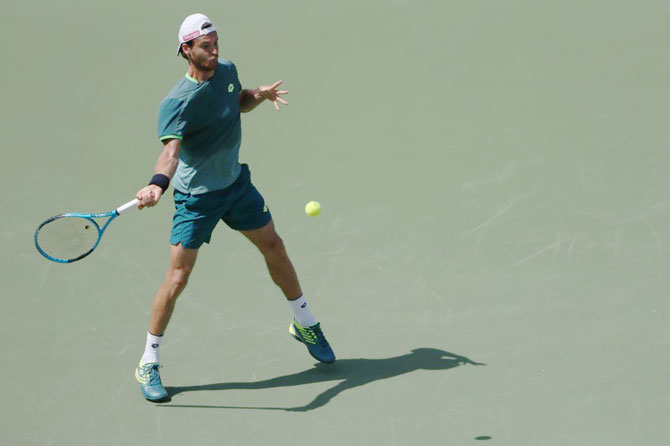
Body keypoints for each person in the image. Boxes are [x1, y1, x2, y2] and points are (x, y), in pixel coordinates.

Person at [133, 13, 335, 402]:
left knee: (274, 246)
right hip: (197, 199)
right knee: (177, 278)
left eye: (216, 43)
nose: (214, 50)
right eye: (205, 46)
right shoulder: (176, 102)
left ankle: (306, 323)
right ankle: (148, 361)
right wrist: (157, 185)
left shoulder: (227, 69)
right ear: (186, 50)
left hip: (236, 185)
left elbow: (236, 101)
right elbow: (170, 154)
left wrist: (257, 95)